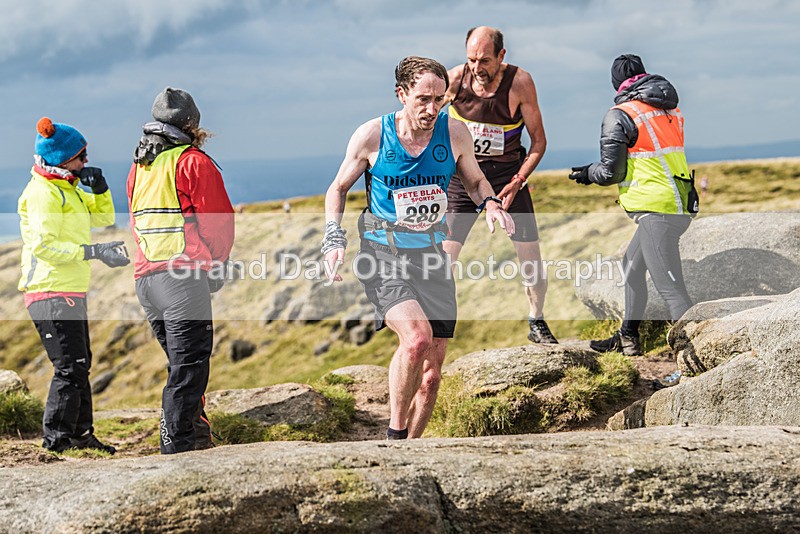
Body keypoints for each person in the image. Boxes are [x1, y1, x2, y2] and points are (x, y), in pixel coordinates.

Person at [323, 56, 515, 439]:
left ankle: (413, 448)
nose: (432, 109)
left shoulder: (455, 133)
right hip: (383, 254)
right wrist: (333, 237)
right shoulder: (372, 136)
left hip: (432, 255)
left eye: (439, 99)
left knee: (431, 374)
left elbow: (476, 181)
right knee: (416, 338)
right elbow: (338, 188)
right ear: (401, 94)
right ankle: (394, 439)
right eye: (423, 99)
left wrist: (490, 203)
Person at [127, 87, 235, 453]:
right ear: (192, 124)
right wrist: (216, 264)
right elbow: (218, 223)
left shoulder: (140, 167)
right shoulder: (193, 162)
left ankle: (196, 436)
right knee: (188, 370)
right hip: (182, 281)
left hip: (146, 281)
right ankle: (177, 449)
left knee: (180, 366)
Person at [569, 54, 695, 356]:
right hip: (679, 201)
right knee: (630, 268)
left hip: (656, 209)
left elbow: (613, 171)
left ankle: (695, 361)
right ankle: (627, 337)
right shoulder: (669, 109)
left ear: (616, 83)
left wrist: (589, 173)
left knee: (671, 289)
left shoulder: (620, 114)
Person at [18, 117, 130, 454]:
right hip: (49, 290)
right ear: (62, 158)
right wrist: (92, 251)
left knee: (80, 364)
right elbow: (43, 246)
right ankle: (56, 441)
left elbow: (103, 219)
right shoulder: (43, 193)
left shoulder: (67, 188)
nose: (85, 162)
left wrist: (99, 189)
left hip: (70, 289)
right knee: (69, 367)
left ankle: (82, 435)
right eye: (81, 157)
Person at [444, 26, 557, 345]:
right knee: (444, 258)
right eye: (471, 60)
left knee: (530, 256)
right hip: (463, 178)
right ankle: (435, 327)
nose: (477, 69)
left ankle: (537, 321)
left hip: (508, 178)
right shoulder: (454, 79)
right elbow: (424, 119)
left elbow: (538, 143)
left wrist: (519, 180)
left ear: (501, 56)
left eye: (484, 60)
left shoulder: (520, 83)